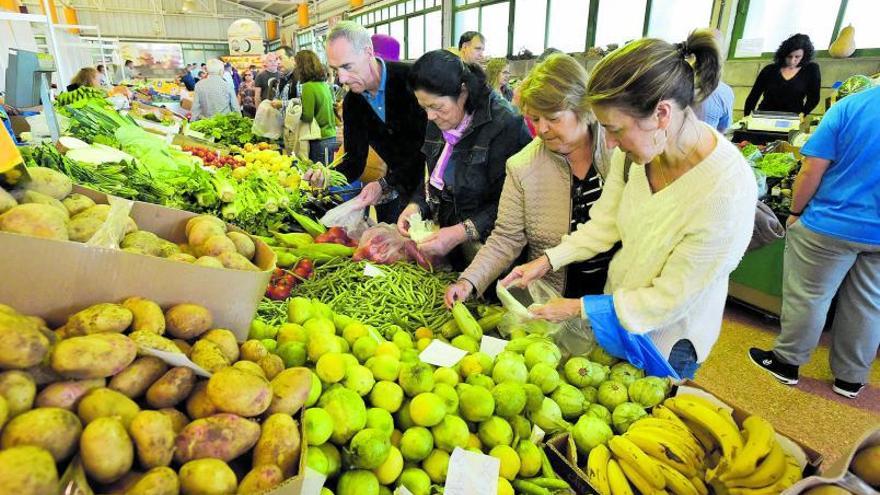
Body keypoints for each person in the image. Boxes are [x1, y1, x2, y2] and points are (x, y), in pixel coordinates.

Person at [498, 31, 757, 379]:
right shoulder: (635, 158)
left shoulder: (725, 191)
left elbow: (670, 298)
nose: (613, 144)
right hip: (615, 319)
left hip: (668, 339)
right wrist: (547, 261)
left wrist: (579, 308)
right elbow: (606, 223)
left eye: (616, 130)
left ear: (662, 114)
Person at [444, 53, 615, 304]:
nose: (542, 129)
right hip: (553, 303)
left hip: (615, 300)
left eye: (553, 118)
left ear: (583, 107)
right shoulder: (523, 167)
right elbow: (506, 237)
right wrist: (469, 280)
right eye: (535, 119)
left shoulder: (618, 151)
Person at [749, 86, 880, 399]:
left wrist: (794, 212)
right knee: (868, 306)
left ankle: (786, 363)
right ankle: (850, 379)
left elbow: (811, 168)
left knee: (809, 296)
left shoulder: (852, 106)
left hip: (829, 224)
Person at [395, 50, 531, 270]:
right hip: (452, 246)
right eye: (424, 107)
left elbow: (514, 202)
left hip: (492, 254)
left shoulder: (505, 125)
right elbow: (433, 174)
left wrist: (462, 232)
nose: (430, 116)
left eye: (436, 107)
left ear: (463, 92)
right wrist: (416, 205)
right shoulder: (441, 118)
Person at [311, 21, 428, 223]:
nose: (342, 78)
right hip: (406, 194)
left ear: (367, 53)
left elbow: (427, 149)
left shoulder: (411, 80)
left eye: (347, 66)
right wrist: (327, 175)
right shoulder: (353, 104)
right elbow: (355, 161)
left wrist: (384, 183)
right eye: (335, 69)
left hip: (438, 188)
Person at [744, 34, 821, 117]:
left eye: (797, 57)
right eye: (789, 56)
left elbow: (814, 98)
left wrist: (803, 113)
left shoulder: (811, 70)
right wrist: (747, 117)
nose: (792, 61)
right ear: (783, 54)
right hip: (764, 115)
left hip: (792, 117)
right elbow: (753, 96)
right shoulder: (769, 70)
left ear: (805, 55)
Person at [295, 49, 338, 165]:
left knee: (318, 179)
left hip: (319, 138)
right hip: (331, 137)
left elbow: (308, 117)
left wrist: (295, 111)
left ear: (302, 67)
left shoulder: (308, 87)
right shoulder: (324, 85)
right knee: (328, 175)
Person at [695, 29, 734, 132]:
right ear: (722, 55)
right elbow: (723, 129)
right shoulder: (724, 92)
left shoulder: (671, 82)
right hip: (705, 145)